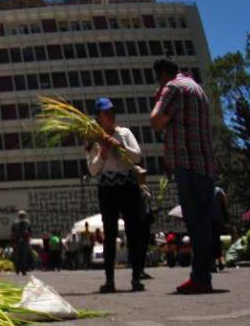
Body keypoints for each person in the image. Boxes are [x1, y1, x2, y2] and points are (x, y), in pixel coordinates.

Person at [150, 59, 218, 294]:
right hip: (206, 165)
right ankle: (204, 274)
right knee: (204, 224)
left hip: (187, 165)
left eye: (158, 78)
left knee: (195, 223)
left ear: (163, 74)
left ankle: (200, 278)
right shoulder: (197, 89)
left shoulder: (172, 88)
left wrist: (159, 96)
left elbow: (156, 121)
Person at [86, 97, 145, 292]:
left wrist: (120, 146)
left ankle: (136, 277)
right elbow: (93, 170)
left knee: (133, 231)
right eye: (106, 113)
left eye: (112, 112)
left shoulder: (124, 133)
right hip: (107, 188)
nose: (111, 116)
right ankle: (109, 280)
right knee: (109, 233)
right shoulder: (93, 139)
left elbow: (137, 155)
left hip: (128, 185)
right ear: (99, 117)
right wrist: (103, 152)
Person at [212, 184, 229, 271]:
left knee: (211, 241)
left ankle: (214, 263)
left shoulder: (203, 190)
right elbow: (226, 202)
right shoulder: (219, 190)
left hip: (208, 220)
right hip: (218, 219)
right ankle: (219, 261)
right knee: (216, 240)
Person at [10, 210, 32, 275]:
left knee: (17, 256)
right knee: (24, 256)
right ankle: (23, 270)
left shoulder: (15, 222)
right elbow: (30, 232)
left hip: (17, 241)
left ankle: (18, 269)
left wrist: (12, 241)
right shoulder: (28, 222)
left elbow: (12, 232)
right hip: (24, 241)